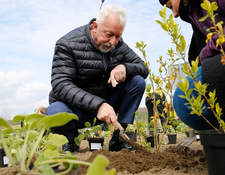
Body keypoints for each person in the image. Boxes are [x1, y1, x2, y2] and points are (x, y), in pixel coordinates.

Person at [45, 5, 149, 153]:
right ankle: (70, 140)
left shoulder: (118, 45)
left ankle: (118, 137)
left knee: (137, 81)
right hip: (77, 109)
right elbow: (61, 84)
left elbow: (143, 67)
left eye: (118, 36)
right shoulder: (67, 44)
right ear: (95, 26)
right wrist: (98, 105)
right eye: (109, 34)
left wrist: (125, 67)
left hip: (108, 104)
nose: (113, 42)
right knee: (54, 112)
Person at [159, 0, 225, 130]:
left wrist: (209, 51)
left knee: (186, 100)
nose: (175, 14)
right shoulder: (194, 10)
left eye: (170, 6)